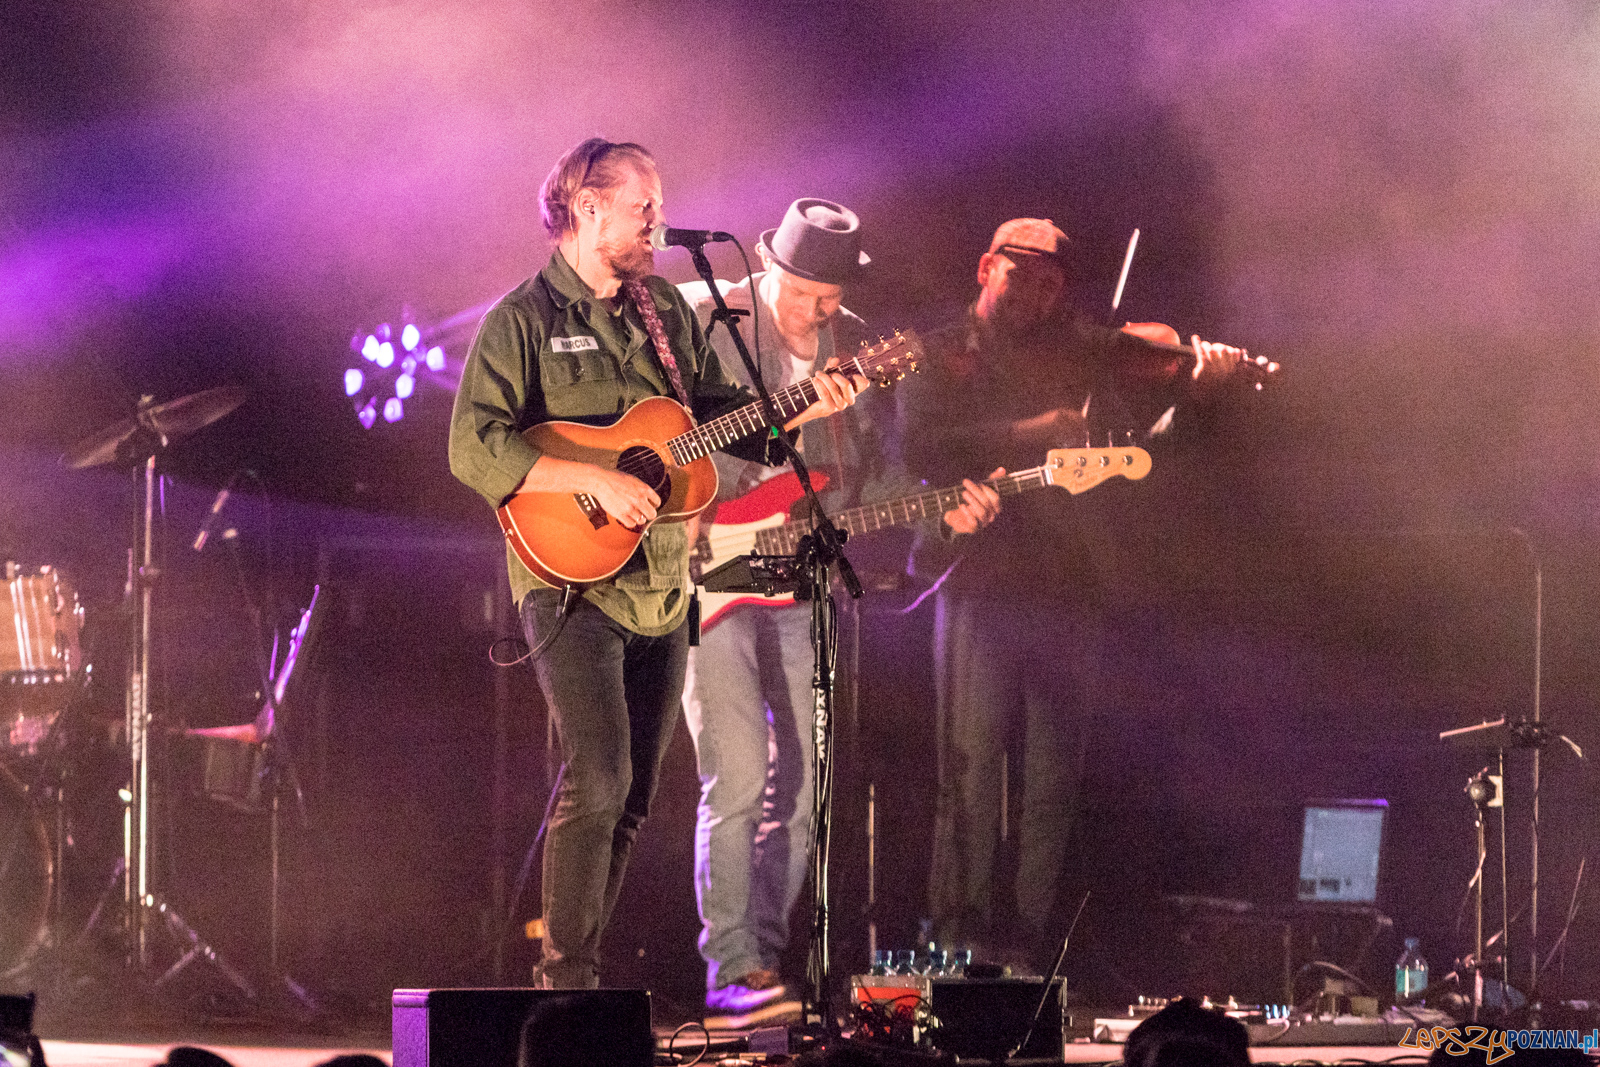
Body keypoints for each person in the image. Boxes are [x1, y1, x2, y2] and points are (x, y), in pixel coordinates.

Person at [448, 138, 868, 989]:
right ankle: (566, 982)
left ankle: (584, 972)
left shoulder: (665, 314)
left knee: (634, 795)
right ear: (587, 204)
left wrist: (797, 410)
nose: (659, 222)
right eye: (644, 206)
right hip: (569, 584)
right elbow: (472, 444)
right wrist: (589, 474)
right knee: (598, 775)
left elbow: (713, 417)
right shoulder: (521, 321)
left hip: (662, 585)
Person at [677, 199, 1000, 1028]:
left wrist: (939, 514)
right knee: (740, 773)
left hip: (798, 581)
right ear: (769, 270)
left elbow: (874, 480)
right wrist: (785, 420)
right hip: (701, 569)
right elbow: (669, 437)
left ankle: (766, 960)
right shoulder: (705, 318)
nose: (819, 312)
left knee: (814, 784)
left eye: (831, 298)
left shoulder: (858, 356)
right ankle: (731, 965)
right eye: (805, 293)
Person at [898, 218, 1243, 972]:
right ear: (986, 266)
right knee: (970, 764)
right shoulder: (941, 352)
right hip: (981, 578)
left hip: (1068, 585)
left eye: (1052, 283)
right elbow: (921, 445)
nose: (1037, 294)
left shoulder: (1085, 350)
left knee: (1052, 775)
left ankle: (1025, 939)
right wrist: (1031, 430)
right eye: (1021, 275)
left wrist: (1198, 386)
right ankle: (958, 935)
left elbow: (1140, 454)